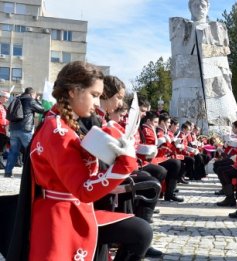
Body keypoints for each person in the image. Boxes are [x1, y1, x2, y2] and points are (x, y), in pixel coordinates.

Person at [7, 61, 153, 260]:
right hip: (63, 218)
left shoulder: (63, 123)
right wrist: (125, 163)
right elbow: (84, 189)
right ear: (74, 91)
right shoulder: (58, 131)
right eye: (94, 95)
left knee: (140, 231)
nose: (96, 102)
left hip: (71, 211)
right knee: (140, 232)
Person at [169, 0, 237, 132]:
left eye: (202, 5)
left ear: (208, 7)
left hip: (218, 92)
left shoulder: (217, 28)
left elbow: (224, 69)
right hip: (187, 93)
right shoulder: (179, 26)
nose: (199, 8)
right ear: (190, 7)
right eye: (195, 5)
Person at [4, 87, 44, 177]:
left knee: (13, 151)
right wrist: (37, 100)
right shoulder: (30, 100)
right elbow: (41, 110)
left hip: (13, 129)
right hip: (25, 129)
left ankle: (8, 172)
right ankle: (31, 172)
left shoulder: (17, 98)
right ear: (31, 94)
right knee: (30, 151)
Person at [0, 91, 10, 169]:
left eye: (8, 98)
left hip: (3, 130)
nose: (7, 99)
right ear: (1, 97)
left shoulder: (3, 107)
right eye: (6, 97)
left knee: (2, 148)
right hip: (0, 129)